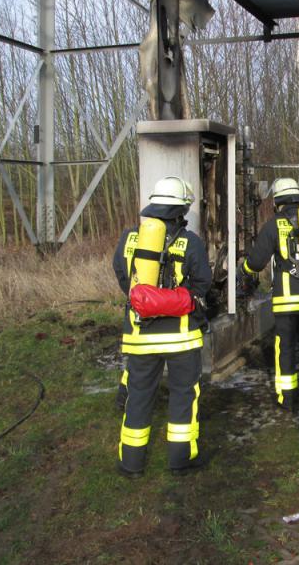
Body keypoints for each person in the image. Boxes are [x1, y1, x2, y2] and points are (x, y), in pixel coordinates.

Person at [112, 176, 213, 476]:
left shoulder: (129, 238)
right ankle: (181, 460)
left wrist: (146, 300)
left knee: (139, 394)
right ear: (180, 211)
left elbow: (123, 278)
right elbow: (203, 284)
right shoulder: (191, 242)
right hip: (181, 338)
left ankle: (130, 463)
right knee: (183, 394)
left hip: (139, 337)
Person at [238, 178, 299, 410]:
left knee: (286, 347)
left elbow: (255, 262)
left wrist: (242, 271)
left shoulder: (274, 225)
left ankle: (288, 397)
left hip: (287, 303)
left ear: (277, 201)